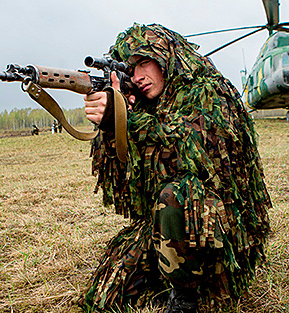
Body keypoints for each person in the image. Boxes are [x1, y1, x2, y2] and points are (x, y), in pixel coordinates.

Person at [80, 23, 271, 312]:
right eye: (130, 69)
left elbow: (190, 151)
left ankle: (185, 299)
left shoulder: (208, 90)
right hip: (169, 227)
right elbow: (123, 181)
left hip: (222, 229)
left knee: (177, 195)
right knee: (112, 294)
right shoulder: (146, 105)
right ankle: (176, 278)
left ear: (167, 57)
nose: (138, 76)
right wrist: (114, 122)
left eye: (145, 62)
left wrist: (129, 122)